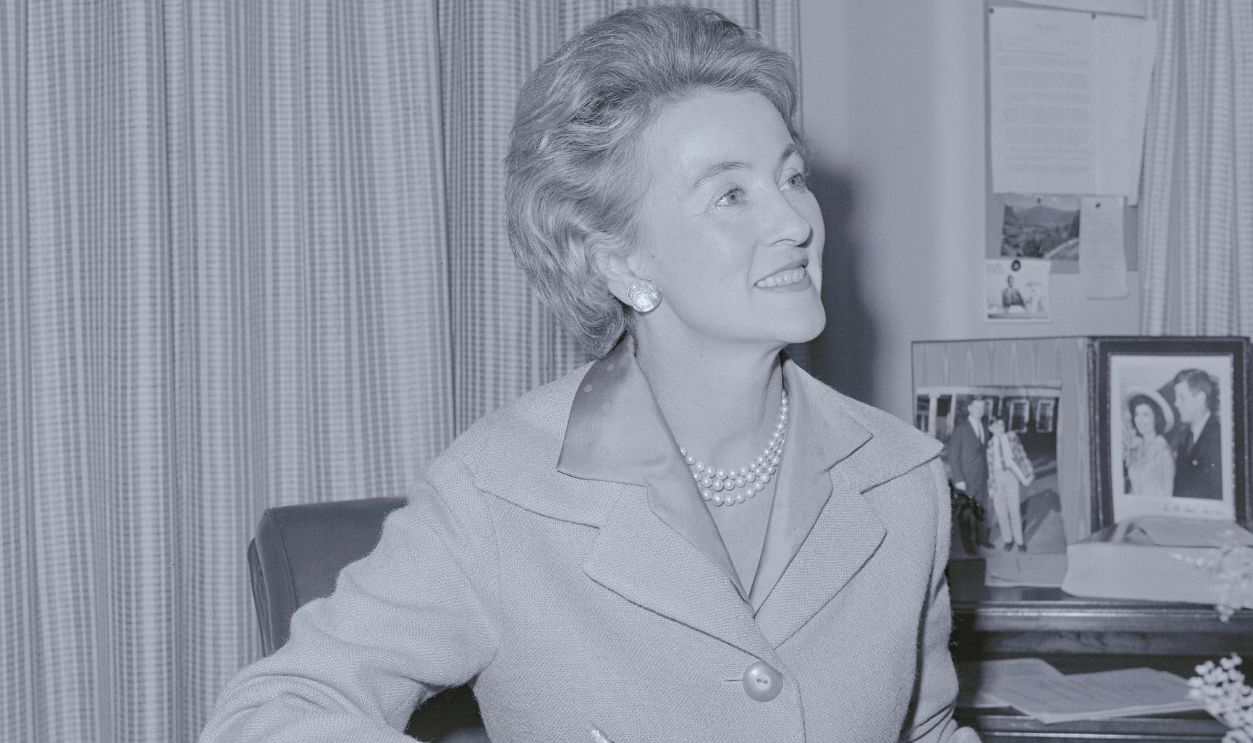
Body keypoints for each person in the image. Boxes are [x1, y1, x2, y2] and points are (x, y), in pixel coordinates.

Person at [199, 7, 979, 742]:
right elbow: (271, 714)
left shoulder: (901, 477)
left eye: (792, 178)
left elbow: (925, 729)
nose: (793, 222)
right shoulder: (497, 491)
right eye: (730, 194)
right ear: (620, 263)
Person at [942, 398, 992, 548]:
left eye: (982, 408)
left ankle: (982, 539)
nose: (980, 410)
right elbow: (953, 456)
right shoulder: (961, 428)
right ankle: (967, 545)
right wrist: (959, 479)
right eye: (976, 407)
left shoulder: (984, 427)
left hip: (982, 477)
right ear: (970, 408)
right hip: (966, 479)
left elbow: (983, 454)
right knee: (966, 512)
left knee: (981, 508)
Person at [1172, 369, 1222, 500]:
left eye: (1181, 398)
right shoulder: (1186, 438)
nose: (1176, 403)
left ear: (1200, 399)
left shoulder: (1218, 438)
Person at [985, 417, 1032, 552]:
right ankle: (1008, 539)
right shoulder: (990, 445)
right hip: (997, 476)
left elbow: (1022, 455)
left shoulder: (1012, 438)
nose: (999, 429)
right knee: (1001, 511)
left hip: (1011, 475)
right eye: (996, 427)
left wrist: (1028, 472)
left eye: (1001, 426)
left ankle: (1019, 540)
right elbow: (990, 468)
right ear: (991, 429)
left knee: (1014, 509)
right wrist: (991, 486)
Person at [1123, 388, 1175, 498]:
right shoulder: (1136, 447)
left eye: (1146, 415)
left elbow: (1168, 495)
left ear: (1156, 418)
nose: (1140, 420)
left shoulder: (1163, 451)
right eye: (1137, 414)